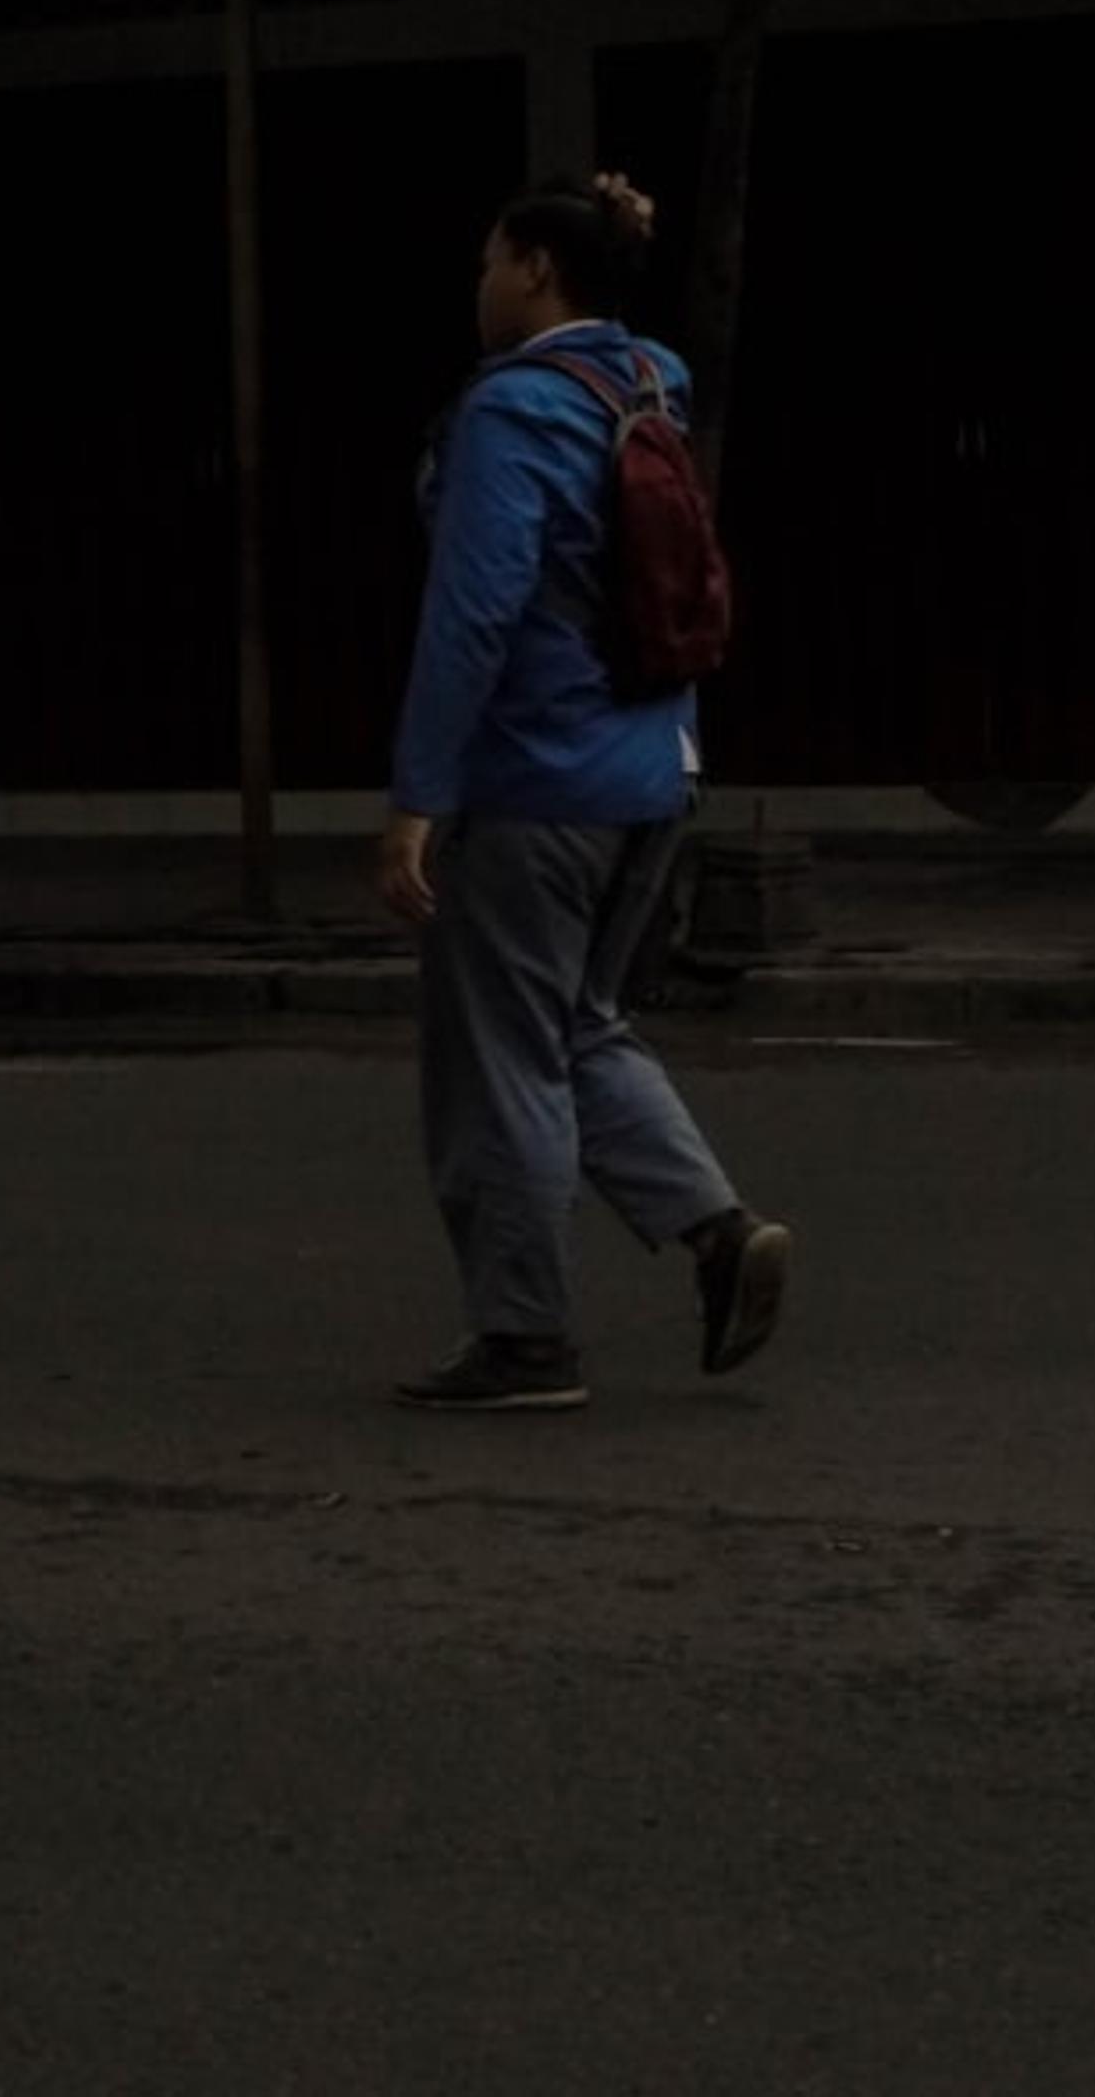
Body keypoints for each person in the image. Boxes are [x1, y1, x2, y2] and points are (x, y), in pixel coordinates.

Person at [378, 177, 790, 1411]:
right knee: (579, 1023)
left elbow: (474, 615)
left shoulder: (512, 415)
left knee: (500, 1056)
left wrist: (418, 798)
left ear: (540, 272)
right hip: (655, 772)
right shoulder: (647, 381)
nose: (481, 283)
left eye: (494, 260)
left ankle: (524, 1338)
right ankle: (715, 1230)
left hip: (538, 780)